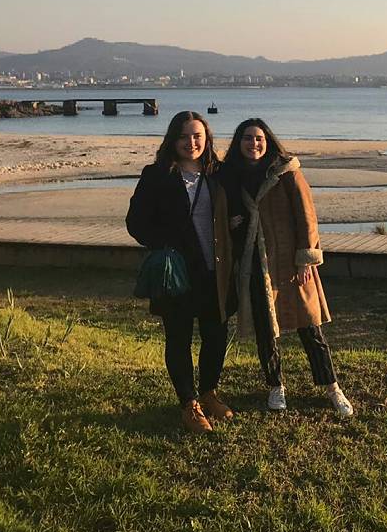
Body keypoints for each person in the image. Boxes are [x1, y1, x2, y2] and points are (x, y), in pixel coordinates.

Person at [221, 118, 353, 417]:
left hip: (289, 263)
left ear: (268, 141)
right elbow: (224, 213)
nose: (253, 144)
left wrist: (306, 258)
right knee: (266, 329)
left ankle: (332, 386)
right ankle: (275, 385)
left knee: (310, 327)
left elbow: (307, 216)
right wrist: (232, 224)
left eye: (258, 138)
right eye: (246, 138)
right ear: (238, 143)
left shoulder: (287, 173)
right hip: (254, 263)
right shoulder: (231, 176)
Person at [126, 111, 234, 434]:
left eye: (198, 136)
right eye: (185, 136)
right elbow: (135, 223)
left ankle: (209, 392)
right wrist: (164, 245)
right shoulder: (157, 175)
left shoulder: (219, 174)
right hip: (177, 275)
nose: (192, 143)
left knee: (216, 335)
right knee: (178, 338)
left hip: (215, 271)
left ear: (207, 139)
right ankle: (189, 404)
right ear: (173, 140)